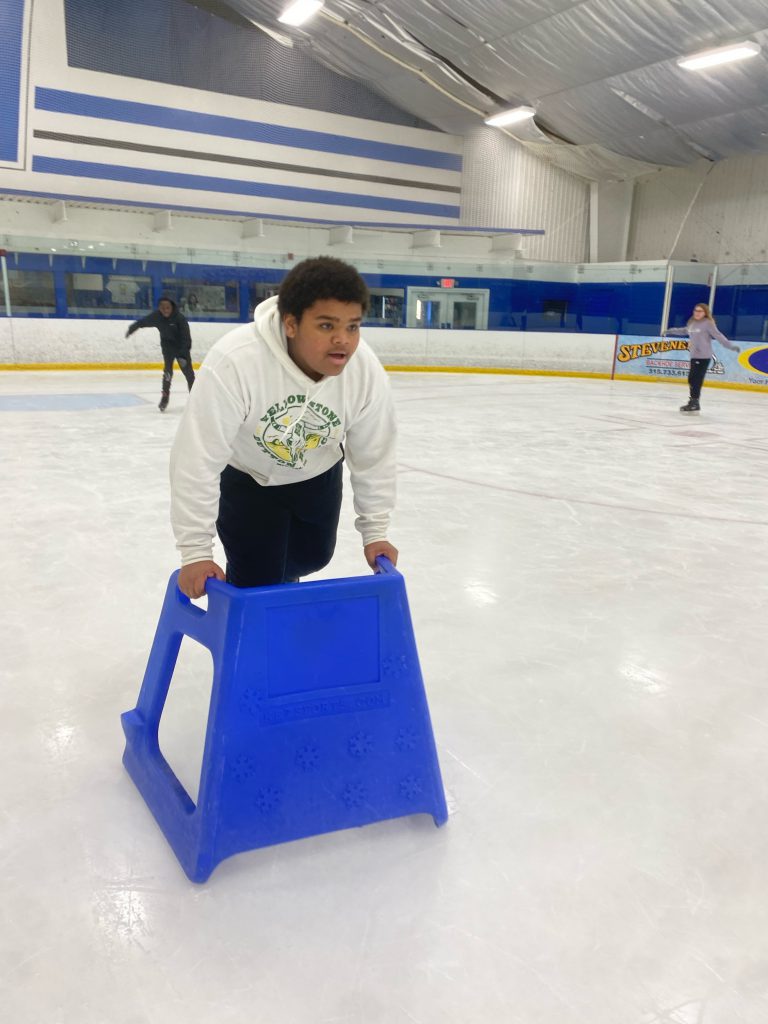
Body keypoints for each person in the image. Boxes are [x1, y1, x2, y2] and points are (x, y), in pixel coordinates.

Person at [169, 256, 398, 598]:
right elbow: (197, 457)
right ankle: (254, 634)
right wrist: (196, 553)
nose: (343, 340)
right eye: (326, 326)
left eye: (352, 326)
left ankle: (280, 589)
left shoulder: (364, 369)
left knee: (312, 558)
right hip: (250, 481)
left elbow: (374, 453)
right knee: (257, 578)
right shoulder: (236, 361)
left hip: (318, 476)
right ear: (291, 324)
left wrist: (375, 530)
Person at [665, 303, 739, 413]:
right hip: (694, 356)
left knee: (696, 379)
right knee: (691, 378)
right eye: (696, 310)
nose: (697, 313)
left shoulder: (708, 323)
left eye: (700, 311)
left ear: (705, 313)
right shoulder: (692, 323)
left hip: (704, 356)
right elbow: (684, 330)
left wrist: (730, 346)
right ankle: (693, 401)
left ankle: (695, 402)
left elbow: (718, 335)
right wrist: (670, 331)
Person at [126, 297, 195, 412]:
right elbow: (143, 322)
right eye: (162, 308)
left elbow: (186, 338)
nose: (165, 310)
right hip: (168, 348)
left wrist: (183, 355)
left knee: (189, 374)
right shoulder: (157, 316)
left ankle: (195, 397)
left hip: (181, 348)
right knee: (167, 372)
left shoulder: (179, 318)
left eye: (167, 308)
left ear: (172, 307)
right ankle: (165, 396)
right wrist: (132, 328)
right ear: (159, 308)